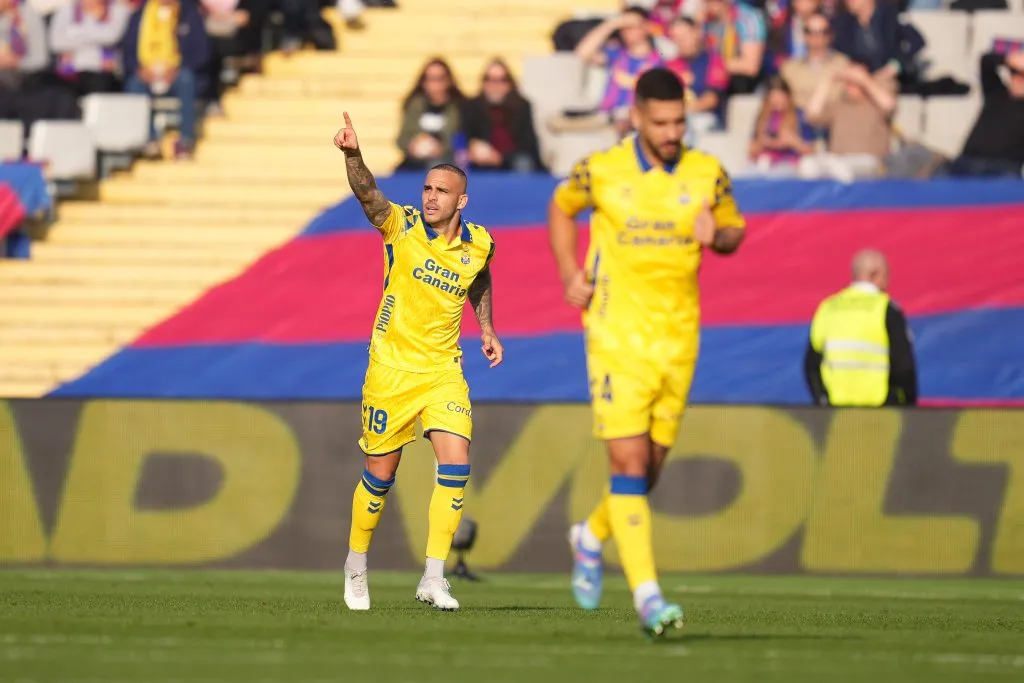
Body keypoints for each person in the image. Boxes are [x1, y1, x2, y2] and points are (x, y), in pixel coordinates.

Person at [547, 67, 746, 638]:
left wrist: (719, 237)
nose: (670, 131)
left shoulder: (707, 173)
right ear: (636, 117)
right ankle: (648, 598)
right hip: (615, 336)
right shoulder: (602, 170)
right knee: (628, 466)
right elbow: (561, 208)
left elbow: (736, 232)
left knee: (648, 472)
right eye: (660, 122)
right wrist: (569, 271)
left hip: (679, 339)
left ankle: (589, 535)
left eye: (679, 121)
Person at [333, 111, 503, 613]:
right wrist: (353, 156)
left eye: (441, 191)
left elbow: (479, 280)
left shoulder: (480, 243)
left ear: (461, 201)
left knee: (456, 464)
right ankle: (356, 565)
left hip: (443, 371)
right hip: (390, 369)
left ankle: (433, 576)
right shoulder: (401, 225)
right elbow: (369, 196)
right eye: (427, 187)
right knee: (379, 477)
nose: (430, 196)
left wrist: (487, 327)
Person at [804, 249, 917, 407]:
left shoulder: (828, 307)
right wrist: (908, 407)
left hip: (836, 411)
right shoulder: (886, 309)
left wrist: (822, 400)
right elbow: (904, 366)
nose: (887, 283)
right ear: (875, 275)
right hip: (880, 409)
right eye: (886, 276)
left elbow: (811, 364)